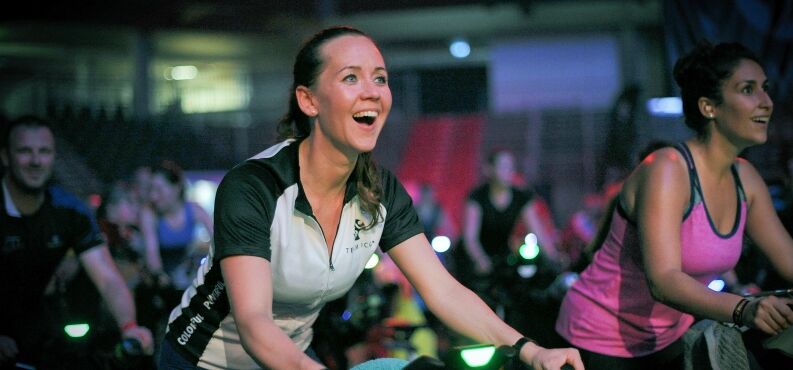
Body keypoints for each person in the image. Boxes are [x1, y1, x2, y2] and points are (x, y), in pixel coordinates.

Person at [157, 26, 583, 370]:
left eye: (379, 77)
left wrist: (530, 350)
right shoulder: (254, 186)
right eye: (350, 78)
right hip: (202, 361)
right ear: (309, 100)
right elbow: (253, 321)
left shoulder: (380, 191)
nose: (373, 91)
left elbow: (443, 292)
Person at [555, 41, 793, 370]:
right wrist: (744, 308)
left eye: (765, 89)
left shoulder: (746, 178)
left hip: (667, 334)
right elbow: (664, 279)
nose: (766, 102)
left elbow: (789, 257)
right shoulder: (668, 169)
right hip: (600, 333)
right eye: (748, 89)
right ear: (709, 106)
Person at [0, 115, 154, 368]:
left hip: (37, 329)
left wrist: (129, 327)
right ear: (5, 157)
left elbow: (107, 277)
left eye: (45, 151)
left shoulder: (69, 210)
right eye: (25, 151)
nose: (36, 161)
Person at [461, 148, 561, 279]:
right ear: (489, 169)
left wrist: (553, 256)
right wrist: (480, 259)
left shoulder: (522, 196)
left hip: (503, 256)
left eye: (511, 167)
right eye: (503, 166)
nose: (508, 171)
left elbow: (538, 231)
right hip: (475, 260)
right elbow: (470, 238)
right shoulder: (476, 197)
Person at [139, 159, 213, 290]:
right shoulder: (149, 213)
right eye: (151, 190)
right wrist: (164, 281)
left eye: (159, 190)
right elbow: (152, 258)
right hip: (158, 278)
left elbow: (219, 240)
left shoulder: (194, 210)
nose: (153, 196)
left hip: (184, 273)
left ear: (177, 187)